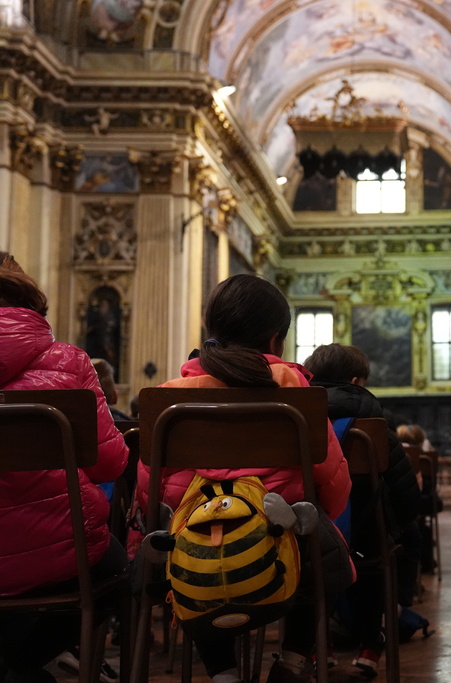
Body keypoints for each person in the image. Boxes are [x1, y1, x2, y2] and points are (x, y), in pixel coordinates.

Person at [134, 274, 351, 683]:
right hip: (284, 546)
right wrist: (318, 516)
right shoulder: (296, 389)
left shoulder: (169, 396)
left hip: (192, 549)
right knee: (319, 550)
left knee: (195, 547)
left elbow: (150, 495)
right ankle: (292, 660)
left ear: (211, 331)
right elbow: (332, 479)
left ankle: (223, 672)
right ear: (275, 341)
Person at [0, 252, 129, 683]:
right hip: (63, 551)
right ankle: (24, 663)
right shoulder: (69, 362)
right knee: (119, 571)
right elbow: (112, 463)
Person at [303, 343, 427, 676]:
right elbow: (408, 498)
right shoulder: (374, 428)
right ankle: (370, 647)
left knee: (304, 558)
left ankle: (317, 646)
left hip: (306, 532)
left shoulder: (295, 422)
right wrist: (395, 530)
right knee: (376, 547)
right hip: (364, 534)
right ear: (357, 380)